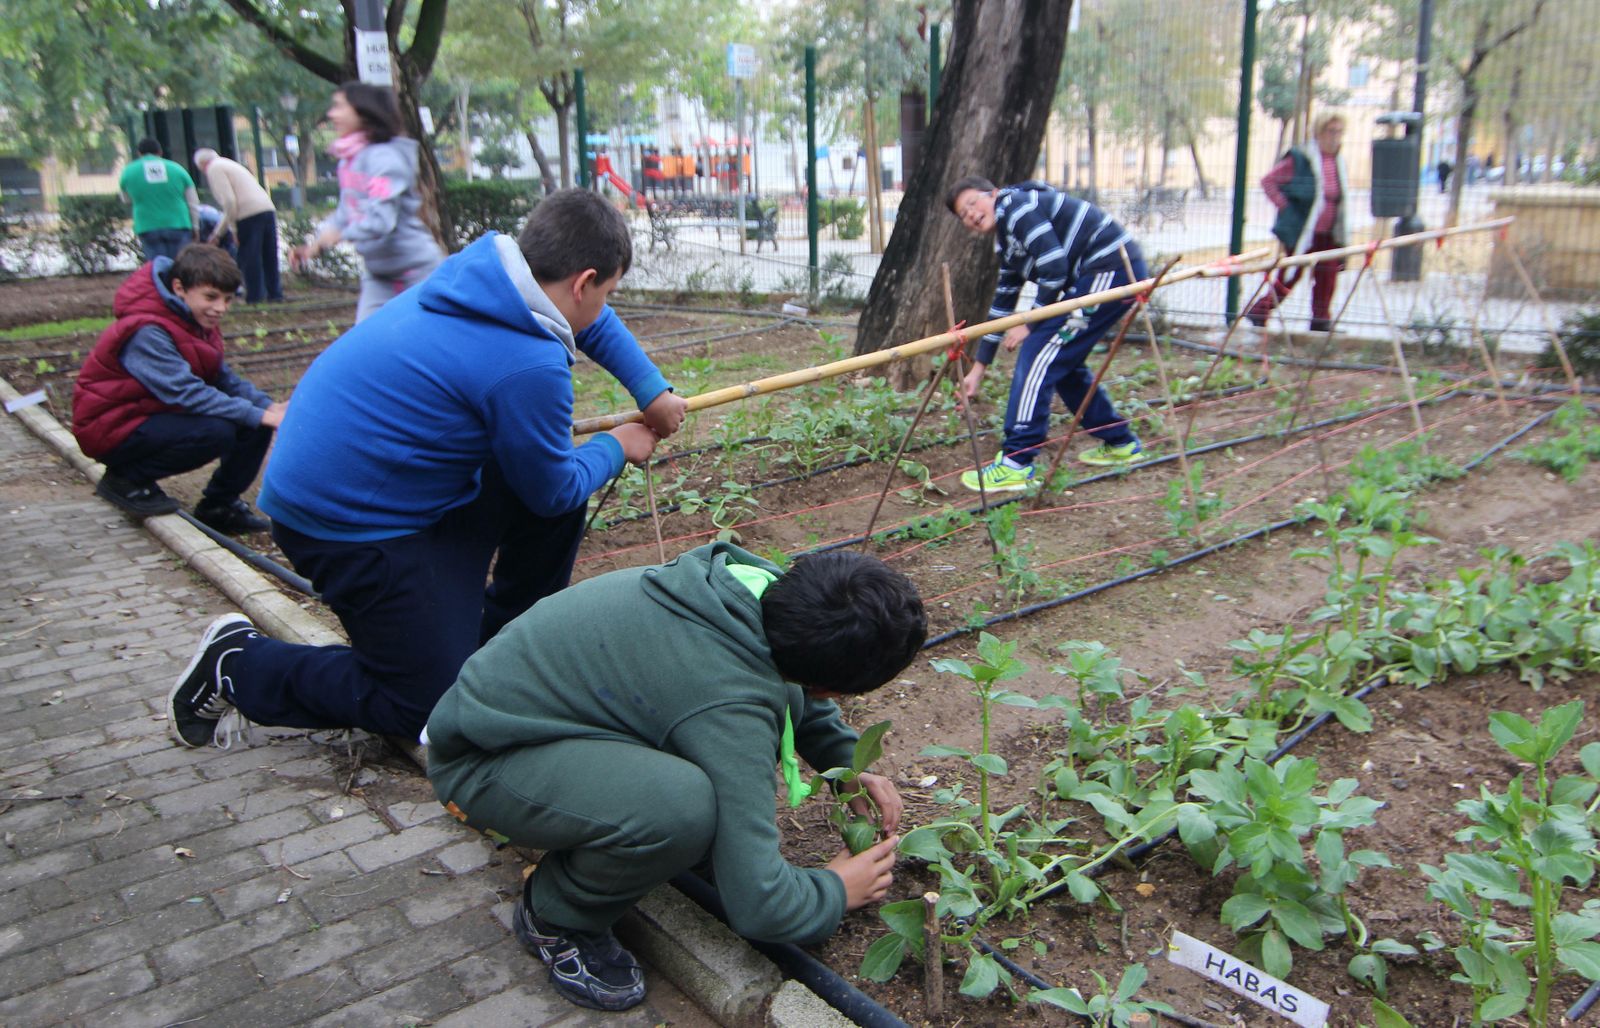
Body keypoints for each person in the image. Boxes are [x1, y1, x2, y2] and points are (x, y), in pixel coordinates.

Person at [166, 189, 688, 750]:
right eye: (606, 291)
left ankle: (502, 657)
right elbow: (553, 490)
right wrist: (616, 444)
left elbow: (589, 321)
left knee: (546, 479)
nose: (604, 305)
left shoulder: (488, 275)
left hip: (372, 483)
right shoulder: (527, 364)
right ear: (583, 282)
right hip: (346, 528)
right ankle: (239, 665)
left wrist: (649, 388)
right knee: (425, 706)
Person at [425, 543, 925, 1011]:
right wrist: (836, 890)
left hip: (537, 725)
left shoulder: (753, 592)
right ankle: (557, 918)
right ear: (827, 684)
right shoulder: (727, 701)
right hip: (483, 768)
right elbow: (762, 908)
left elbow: (794, 690)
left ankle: (627, 839)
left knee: (694, 808)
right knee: (682, 810)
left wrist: (847, 769)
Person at [945, 175, 1149, 492]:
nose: (970, 214)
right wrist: (978, 369)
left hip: (1108, 268)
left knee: (1039, 353)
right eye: (963, 214)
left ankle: (1017, 461)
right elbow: (1002, 305)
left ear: (993, 194)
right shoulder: (1009, 244)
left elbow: (1054, 265)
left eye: (973, 202)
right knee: (1062, 363)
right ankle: (1119, 441)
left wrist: (1030, 323)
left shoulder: (1013, 206)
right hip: (1097, 275)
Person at [71, 245, 283, 532]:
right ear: (179, 287)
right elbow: (187, 393)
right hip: (111, 427)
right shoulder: (148, 330)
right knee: (217, 431)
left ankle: (219, 507)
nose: (220, 307)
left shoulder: (192, 319)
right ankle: (126, 479)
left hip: (147, 415)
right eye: (211, 296)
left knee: (255, 422)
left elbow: (221, 377)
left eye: (228, 299)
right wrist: (257, 414)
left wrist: (268, 407)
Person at [289, 82, 445, 321]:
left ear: (363, 111)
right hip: (379, 276)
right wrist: (314, 246)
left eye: (340, 106)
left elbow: (382, 221)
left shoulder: (386, 159)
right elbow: (344, 213)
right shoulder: (349, 159)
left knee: (426, 344)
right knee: (363, 344)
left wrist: (342, 235)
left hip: (417, 272)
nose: (332, 114)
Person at [1248, 113, 1349, 334]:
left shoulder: (1338, 162)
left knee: (1327, 277)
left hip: (1329, 232)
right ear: (1319, 133)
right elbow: (1268, 182)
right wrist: (1286, 207)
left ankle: (1321, 321)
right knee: (1290, 276)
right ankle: (1259, 311)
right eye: (1331, 131)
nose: (1335, 137)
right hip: (1303, 231)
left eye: (1339, 132)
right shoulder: (1301, 159)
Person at [194, 148, 283, 304]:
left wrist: (224, 232)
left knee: (250, 257)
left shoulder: (214, 168)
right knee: (269, 255)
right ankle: (275, 294)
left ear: (202, 164)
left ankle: (255, 297)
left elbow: (229, 202)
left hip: (247, 213)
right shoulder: (229, 164)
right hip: (267, 208)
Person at [118, 138, 200, 262]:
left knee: (158, 268)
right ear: (160, 152)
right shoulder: (177, 169)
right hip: (179, 224)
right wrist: (195, 226)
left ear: (139, 153)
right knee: (181, 266)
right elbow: (193, 202)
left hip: (147, 226)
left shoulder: (128, 172)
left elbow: (126, 200)